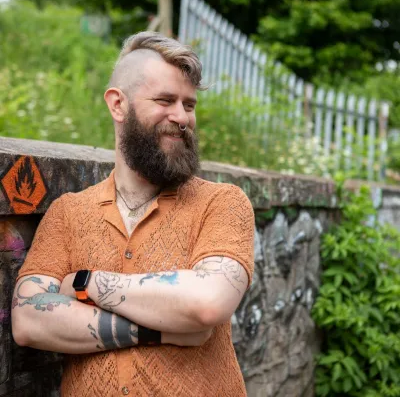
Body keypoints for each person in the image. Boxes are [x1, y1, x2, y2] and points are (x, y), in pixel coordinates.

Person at [11, 31, 254, 397]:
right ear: (117, 105)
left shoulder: (222, 203)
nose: (182, 117)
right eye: (165, 100)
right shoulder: (69, 214)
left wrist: (86, 284)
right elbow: (29, 320)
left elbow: (207, 304)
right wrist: (165, 328)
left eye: (189, 105)